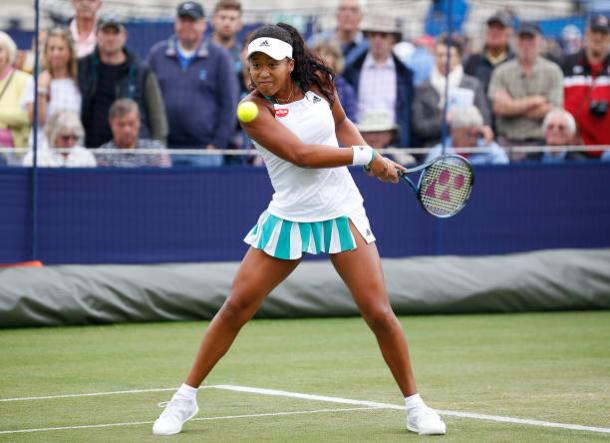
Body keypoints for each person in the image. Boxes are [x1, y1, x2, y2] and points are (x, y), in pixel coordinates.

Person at [152, 23, 446, 437]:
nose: (262, 72)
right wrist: (366, 158)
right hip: (289, 216)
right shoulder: (252, 111)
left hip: (341, 211)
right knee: (237, 306)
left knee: (378, 312)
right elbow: (302, 156)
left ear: (290, 64)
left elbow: (342, 125)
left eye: (271, 64)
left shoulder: (321, 82)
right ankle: (184, 400)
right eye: (255, 65)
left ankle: (416, 407)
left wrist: (373, 156)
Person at [147, 1, 238, 167]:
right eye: (183, 20)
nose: (187, 25)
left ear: (203, 24)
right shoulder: (157, 55)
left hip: (204, 152)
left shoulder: (220, 57)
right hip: (164, 151)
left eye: (193, 21)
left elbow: (229, 104)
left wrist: (217, 144)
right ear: (176, 23)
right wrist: (153, 143)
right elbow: (145, 100)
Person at [79, 13, 168, 148]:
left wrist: (159, 150)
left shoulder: (141, 71)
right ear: (97, 35)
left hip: (134, 153)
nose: (111, 38)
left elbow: (157, 118)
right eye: (106, 32)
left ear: (124, 36)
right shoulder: (83, 67)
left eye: (115, 33)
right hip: (93, 149)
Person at [488, 22, 563, 160]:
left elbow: (554, 110)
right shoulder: (501, 71)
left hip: (539, 144)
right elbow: (499, 108)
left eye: (531, 39)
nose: (526, 44)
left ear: (540, 41)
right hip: (506, 144)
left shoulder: (553, 71)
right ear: (516, 41)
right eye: (522, 39)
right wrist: (536, 101)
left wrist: (512, 106)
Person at [343, 15, 414, 148]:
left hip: (392, 143)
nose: (378, 40)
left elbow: (406, 112)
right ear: (368, 37)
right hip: (358, 140)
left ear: (393, 39)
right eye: (373, 35)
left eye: (383, 35)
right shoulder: (352, 69)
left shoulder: (404, 74)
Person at [412, 33, 492, 148]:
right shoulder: (423, 87)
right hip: (434, 151)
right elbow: (419, 127)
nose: (444, 60)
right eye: (440, 55)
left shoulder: (473, 85)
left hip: (469, 149)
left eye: (449, 56)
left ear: (459, 58)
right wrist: (444, 121)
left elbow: (485, 120)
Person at [22, 27, 82, 144]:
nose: (56, 53)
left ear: (70, 52)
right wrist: (41, 91)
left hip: (74, 149)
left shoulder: (79, 82)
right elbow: (35, 122)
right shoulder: (34, 81)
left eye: (60, 49)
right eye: (52, 49)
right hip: (43, 148)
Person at [562, 14, 610, 157]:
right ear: (586, 34)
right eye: (594, 32)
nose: (598, 37)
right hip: (573, 148)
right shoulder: (567, 63)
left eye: (603, 33)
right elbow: (555, 102)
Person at [96, 98, 171, 167]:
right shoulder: (102, 155)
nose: (127, 130)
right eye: (121, 125)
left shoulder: (156, 151)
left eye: (131, 124)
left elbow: (163, 178)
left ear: (139, 122)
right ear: (111, 123)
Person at [425, 105, 508, 165]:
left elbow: (504, 171)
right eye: (468, 135)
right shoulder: (438, 154)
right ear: (453, 132)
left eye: (476, 135)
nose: (473, 140)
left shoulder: (489, 149)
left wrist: (489, 147)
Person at [463, 10, 514, 100]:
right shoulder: (472, 61)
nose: (494, 32)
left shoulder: (515, 62)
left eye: (500, 28)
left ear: (509, 32)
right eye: (491, 27)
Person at [22, 110, 96, 167]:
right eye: (65, 138)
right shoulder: (35, 158)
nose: (70, 142)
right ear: (53, 136)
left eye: (75, 138)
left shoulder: (86, 157)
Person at [0, 31, 31, 154]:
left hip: (13, 151)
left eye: (0, 50)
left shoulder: (24, 80)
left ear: (9, 53)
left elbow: (25, 116)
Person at [313, 39, 358, 122]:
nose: (320, 58)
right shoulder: (306, 86)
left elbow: (352, 121)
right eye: (317, 54)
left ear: (335, 60)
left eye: (326, 54)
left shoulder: (346, 89)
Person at [211, 0, 243, 77]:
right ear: (213, 20)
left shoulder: (243, 55)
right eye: (222, 18)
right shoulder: (200, 51)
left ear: (240, 25)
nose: (227, 23)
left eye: (232, 19)